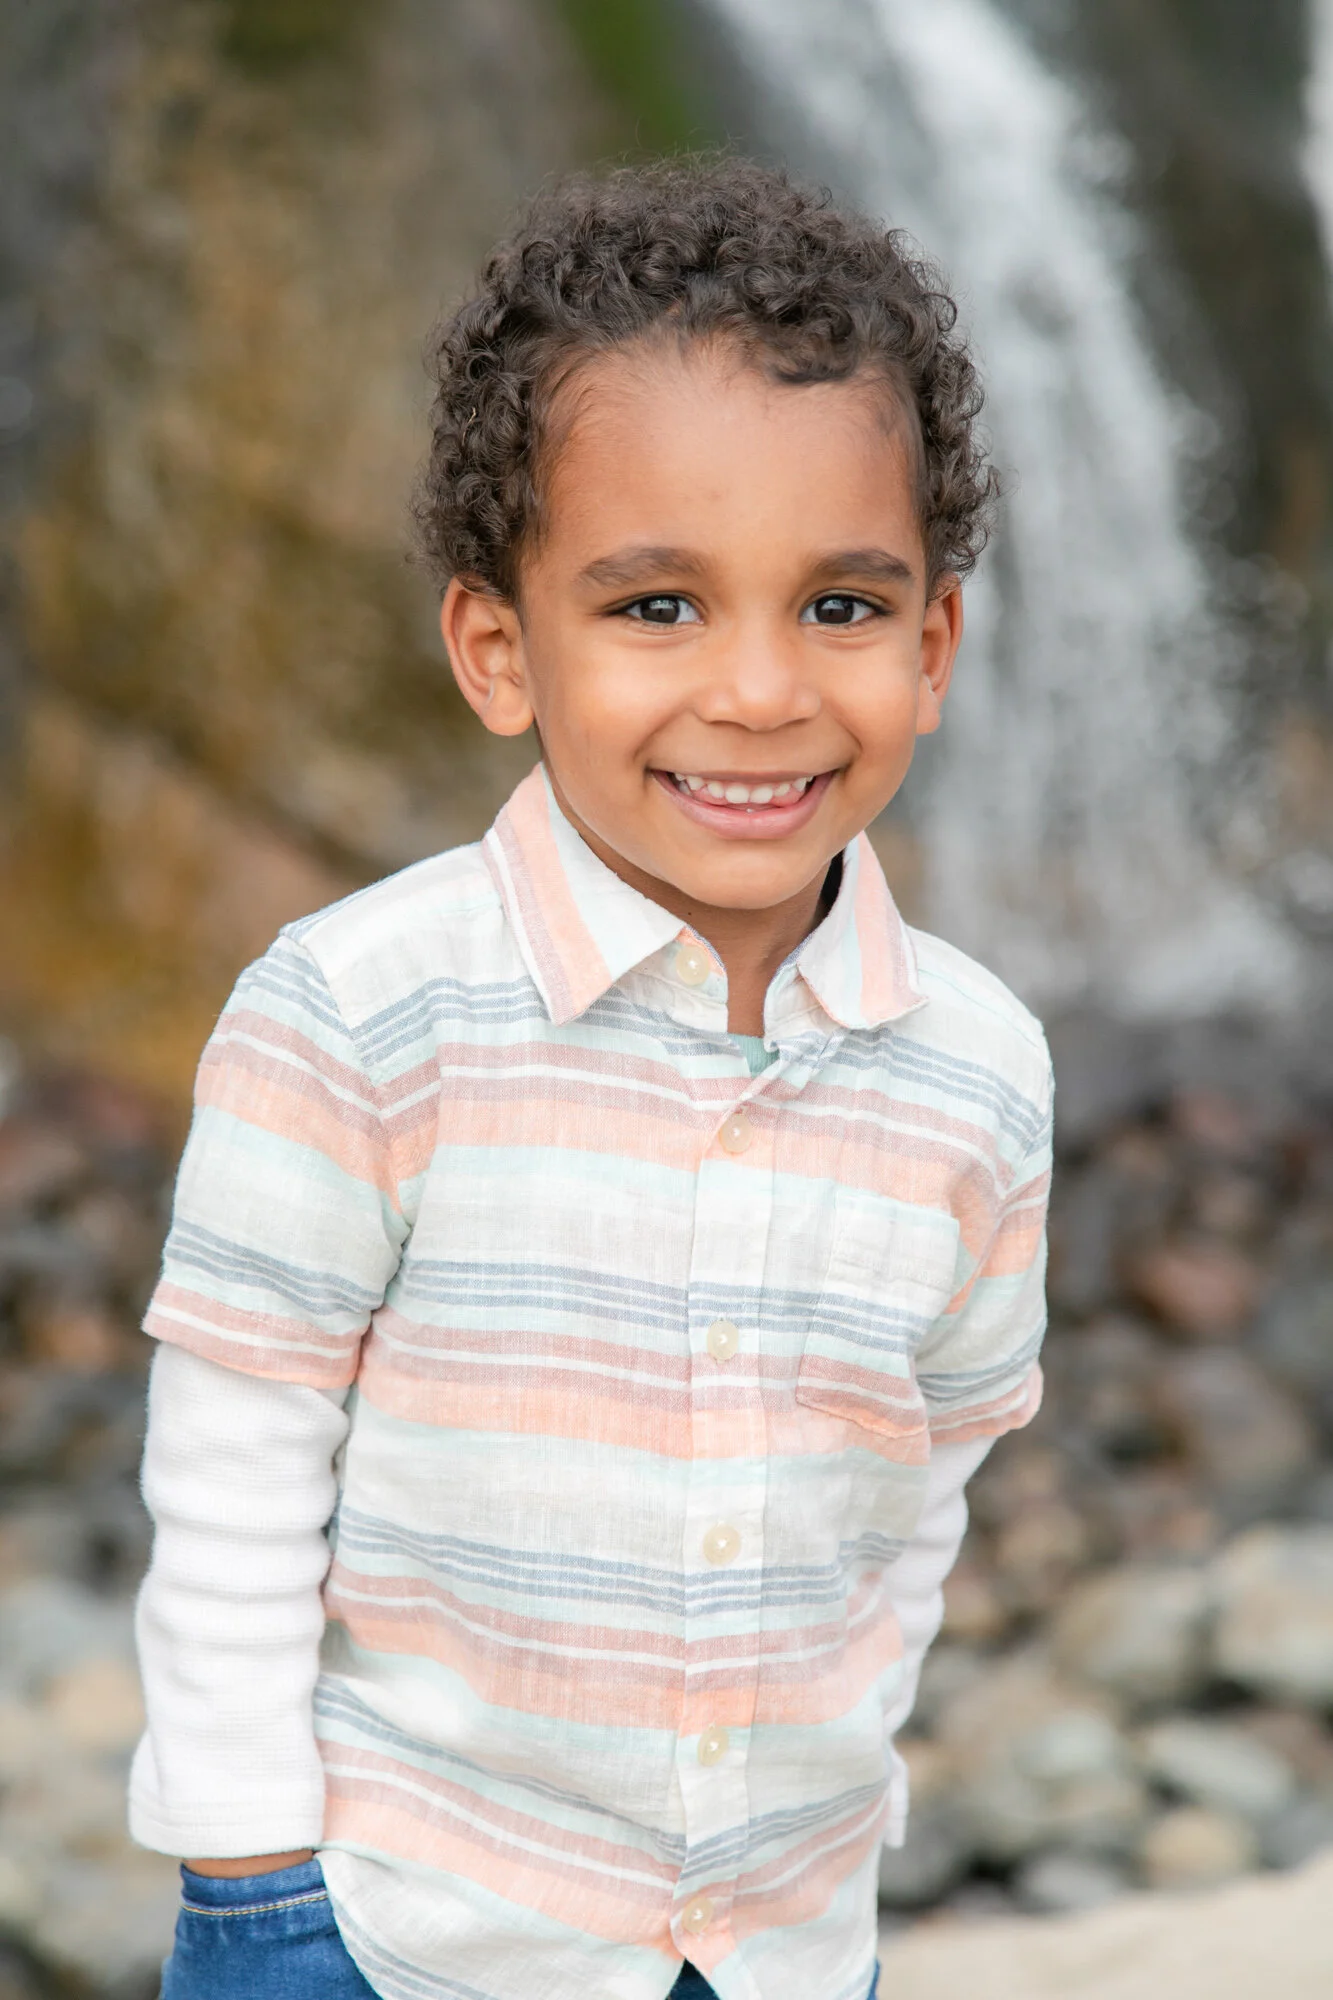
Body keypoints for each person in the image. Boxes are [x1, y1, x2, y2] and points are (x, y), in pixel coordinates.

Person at [131, 157, 1053, 2000]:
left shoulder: (979, 1072)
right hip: (393, 1931)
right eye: (656, 609)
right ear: (499, 650)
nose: (761, 692)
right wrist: (252, 1868)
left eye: (842, 608)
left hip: (785, 1948)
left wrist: (840, 1805)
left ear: (935, 645)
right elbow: (235, 1455)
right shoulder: (359, 1012)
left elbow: (927, 1479)